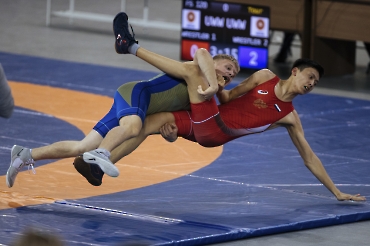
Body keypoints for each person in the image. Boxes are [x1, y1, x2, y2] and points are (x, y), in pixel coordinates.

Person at [75, 12, 365, 202]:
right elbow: (230, 96)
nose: (312, 83)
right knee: (152, 122)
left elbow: (309, 157)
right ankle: (99, 164)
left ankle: (131, 47)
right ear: (295, 72)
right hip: (205, 117)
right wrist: (216, 88)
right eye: (310, 77)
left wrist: (337, 192)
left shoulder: (289, 116)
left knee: (192, 71)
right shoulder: (264, 76)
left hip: (216, 130)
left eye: (315, 82)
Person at [5, 13, 239, 188]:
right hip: (136, 93)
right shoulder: (198, 67)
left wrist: (170, 135)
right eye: (227, 67)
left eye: (233, 75)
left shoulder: (204, 96)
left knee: (82, 147)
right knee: (133, 127)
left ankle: (25, 155)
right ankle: (102, 155)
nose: (229, 75)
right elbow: (202, 53)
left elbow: (176, 124)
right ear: (216, 62)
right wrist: (212, 85)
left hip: (136, 105)